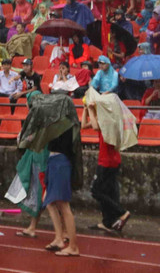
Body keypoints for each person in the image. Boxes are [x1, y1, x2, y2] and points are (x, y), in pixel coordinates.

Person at [18, 93, 82, 257]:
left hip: (60, 162)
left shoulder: (64, 124)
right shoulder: (60, 123)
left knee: (63, 206)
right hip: (54, 162)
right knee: (50, 202)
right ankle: (59, 238)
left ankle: (73, 246)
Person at [82, 88, 135, 234]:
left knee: (96, 191)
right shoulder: (110, 118)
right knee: (108, 193)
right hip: (113, 161)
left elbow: (93, 125)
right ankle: (107, 221)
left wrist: (91, 109)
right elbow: (84, 125)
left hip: (106, 162)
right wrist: (86, 109)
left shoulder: (109, 120)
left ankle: (121, 212)